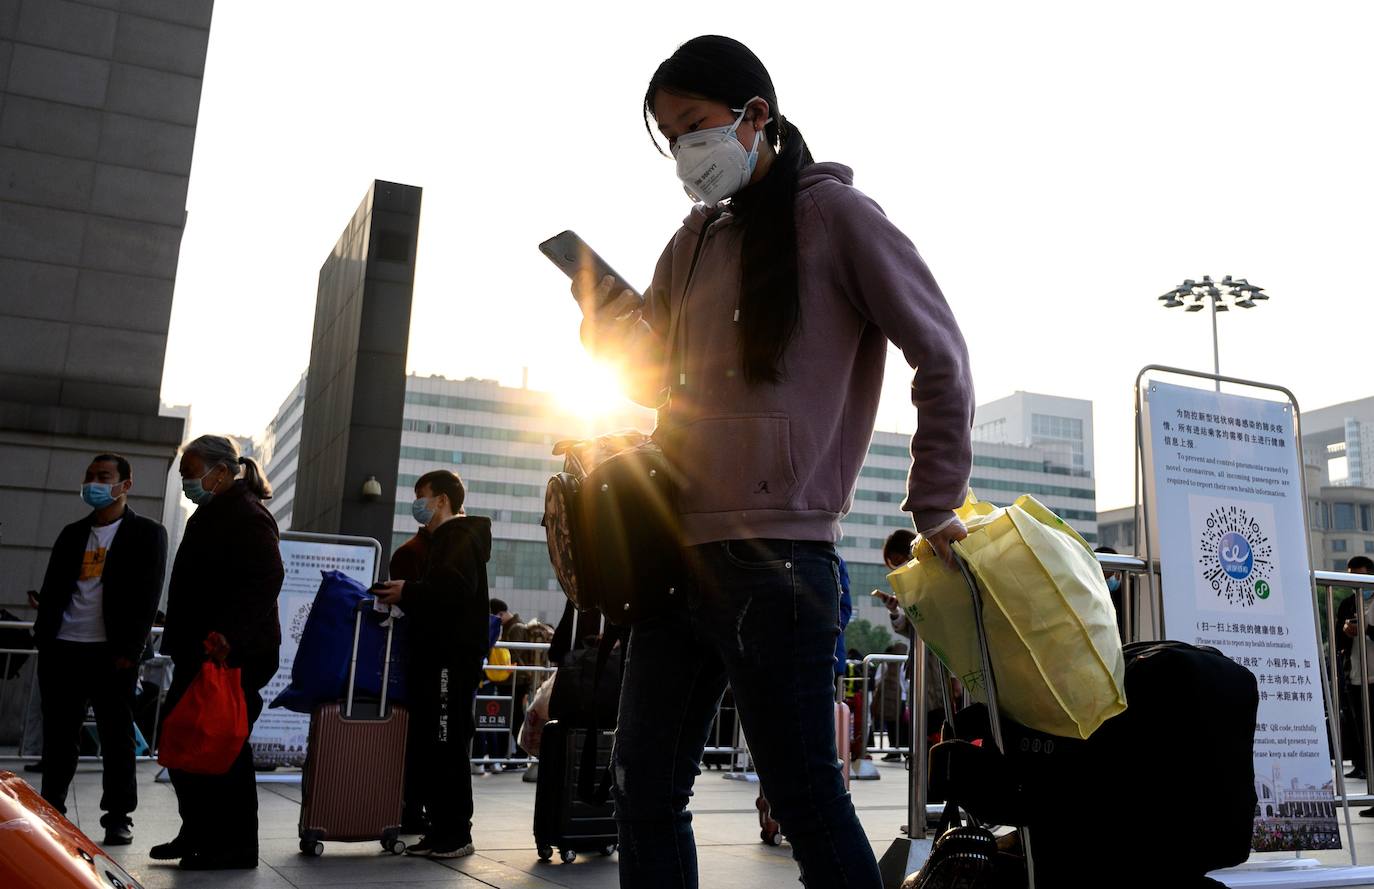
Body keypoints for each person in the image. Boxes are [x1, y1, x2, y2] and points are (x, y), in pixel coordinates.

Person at [570, 36, 973, 888]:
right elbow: (653, 382)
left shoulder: (839, 218)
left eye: (694, 126)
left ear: (757, 115)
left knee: (804, 795)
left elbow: (940, 352)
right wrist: (603, 318)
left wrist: (934, 501)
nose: (684, 153)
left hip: (782, 561)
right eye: (668, 137)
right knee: (642, 785)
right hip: (673, 558)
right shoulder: (692, 242)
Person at [153, 435, 283, 870]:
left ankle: (235, 846)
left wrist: (230, 634)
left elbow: (266, 579)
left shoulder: (247, 515)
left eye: (191, 473)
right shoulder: (211, 513)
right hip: (202, 649)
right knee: (186, 742)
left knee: (223, 748)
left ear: (221, 472)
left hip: (233, 654)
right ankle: (199, 834)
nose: (187, 482)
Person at [32, 453, 167, 846]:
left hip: (113, 653)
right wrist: (45, 637)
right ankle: (51, 807)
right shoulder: (72, 533)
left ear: (125, 484)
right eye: (90, 475)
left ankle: (118, 817)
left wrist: (131, 648)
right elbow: (55, 586)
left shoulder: (147, 533)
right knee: (60, 735)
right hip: (63, 648)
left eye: (103, 476)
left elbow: (147, 595)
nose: (94, 482)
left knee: (116, 735)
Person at [374, 470, 491, 860]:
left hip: (449, 661)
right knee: (438, 743)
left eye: (421, 495)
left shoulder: (457, 538)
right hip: (442, 658)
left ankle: (455, 833)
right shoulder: (447, 539)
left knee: (446, 742)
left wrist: (408, 590)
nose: (417, 503)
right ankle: (441, 830)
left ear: (442, 499)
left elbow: (456, 590)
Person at [1337, 555, 1374, 812]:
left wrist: (1366, 630)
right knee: (1365, 738)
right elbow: (1339, 639)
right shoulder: (1348, 603)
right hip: (1356, 678)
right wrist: (1346, 631)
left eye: (1360, 575)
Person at [1094, 545, 1127, 641]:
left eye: (1110, 573)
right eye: (1102, 574)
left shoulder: (1132, 595)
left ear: (1118, 572)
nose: (1106, 578)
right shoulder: (1091, 597)